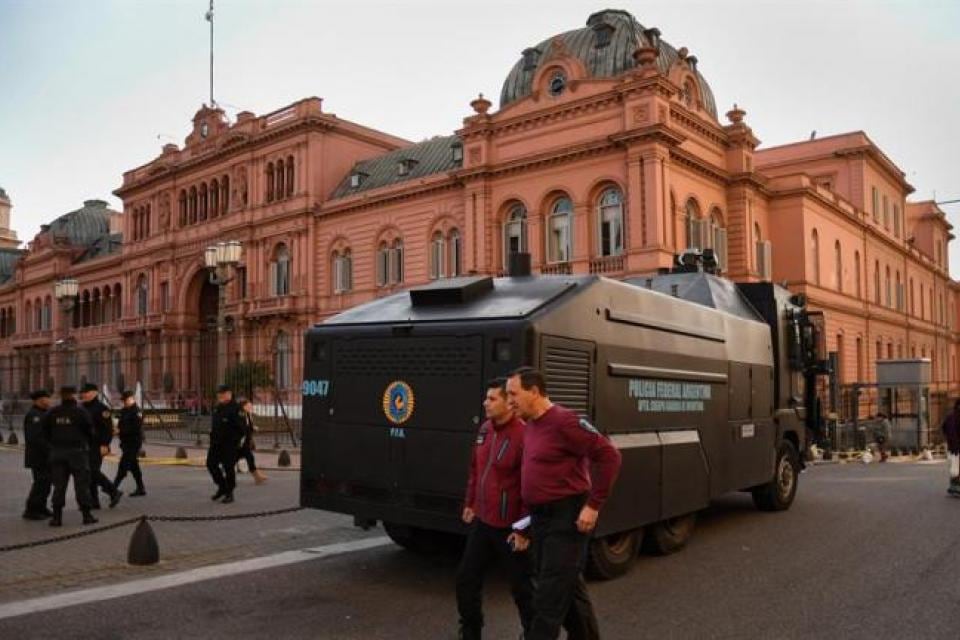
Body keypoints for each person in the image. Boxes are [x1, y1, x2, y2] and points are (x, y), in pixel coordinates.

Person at [506, 367, 622, 640]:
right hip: (541, 518)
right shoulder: (531, 424)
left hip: (566, 518)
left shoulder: (565, 422)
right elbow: (534, 482)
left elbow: (609, 456)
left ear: (534, 392)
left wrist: (593, 506)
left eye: (514, 394)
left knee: (547, 596)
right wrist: (523, 526)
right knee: (568, 589)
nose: (510, 400)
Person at [456, 378, 534, 640]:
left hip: (510, 527)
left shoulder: (524, 435)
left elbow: (530, 487)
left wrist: (524, 529)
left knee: (521, 587)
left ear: (509, 404)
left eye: (492, 399)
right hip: (483, 521)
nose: (485, 403)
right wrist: (470, 502)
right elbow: (475, 470)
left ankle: (533, 632)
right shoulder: (485, 429)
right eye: (486, 398)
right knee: (466, 579)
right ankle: (470, 631)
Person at [43, 386, 98, 526]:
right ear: (73, 395)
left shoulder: (52, 412)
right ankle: (86, 515)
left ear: (61, 396)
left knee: (59, 486)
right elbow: (90, 431)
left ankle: (57, 517)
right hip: (77, 453)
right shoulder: (81, 412)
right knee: (81, 485)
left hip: (58, 452)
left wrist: (53, 445)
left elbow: (45, 431)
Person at [80, 383, 122, 509]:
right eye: (83, 392)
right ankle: (94, 501)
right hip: (84, 445)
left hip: (97, 445)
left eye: (86, 392)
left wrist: (105, 444)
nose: (84, 394)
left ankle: (113, 491)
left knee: (92, 471)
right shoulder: (82, 407)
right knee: (90, 473)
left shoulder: (102, 409)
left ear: (94, 393)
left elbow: (107, 429)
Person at [207, 384, 244, 503]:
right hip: (216, 443)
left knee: (228, 468)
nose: (220, 396)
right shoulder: (218, 407)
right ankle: (222, 487)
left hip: (229, 445)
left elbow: (241, 429)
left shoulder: (236, 408)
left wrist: (234, 442)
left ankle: (230, 492)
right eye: (218, 394)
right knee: (210, 464)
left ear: (229, 394)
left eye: (222, 394)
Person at [22, 389, 53, 520]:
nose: (49, 401)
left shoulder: (44, 413)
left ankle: (41, 507)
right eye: (47, 398)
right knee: (40, 482)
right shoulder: (34, 415)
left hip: (45, 456)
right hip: (38, 456)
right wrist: (51, 449)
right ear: (40, 400)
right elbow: (36, 438)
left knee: (46, 483)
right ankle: (31, 509)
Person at [114, 390, 147, 496]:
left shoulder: (137, 412)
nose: (124, 402)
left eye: (126, 400)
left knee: (123, 465)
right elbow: (120, 423)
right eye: (123, 401)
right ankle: (141, 488)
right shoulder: (124, 410)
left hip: (134, 443)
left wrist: (121, 431)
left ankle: (112, 489)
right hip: (125, 443)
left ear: (131, 399)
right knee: (134, 466)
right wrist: (116, 428)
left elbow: (136, 428)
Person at [238, 398, 268, 485]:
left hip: (245, 441)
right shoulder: (241, 415)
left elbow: (248, 426)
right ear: (244, 406)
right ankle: (257, 477)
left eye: (250, 405)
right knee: (249, 457)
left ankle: (257, 476)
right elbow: (242, 427)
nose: (251, 406)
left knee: (247, 458)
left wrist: (253, 428)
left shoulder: (247, 414)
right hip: (241, 442)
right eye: (248, 405)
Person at [941, 399, 960, 496]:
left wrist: (948, 439)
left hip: (952, 446)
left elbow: (943, 428)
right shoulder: (956, 417)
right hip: (956, 447)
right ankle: (956, 488)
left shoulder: (950, 416)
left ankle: (953, 487)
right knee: (956, 467)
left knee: (954, 467)